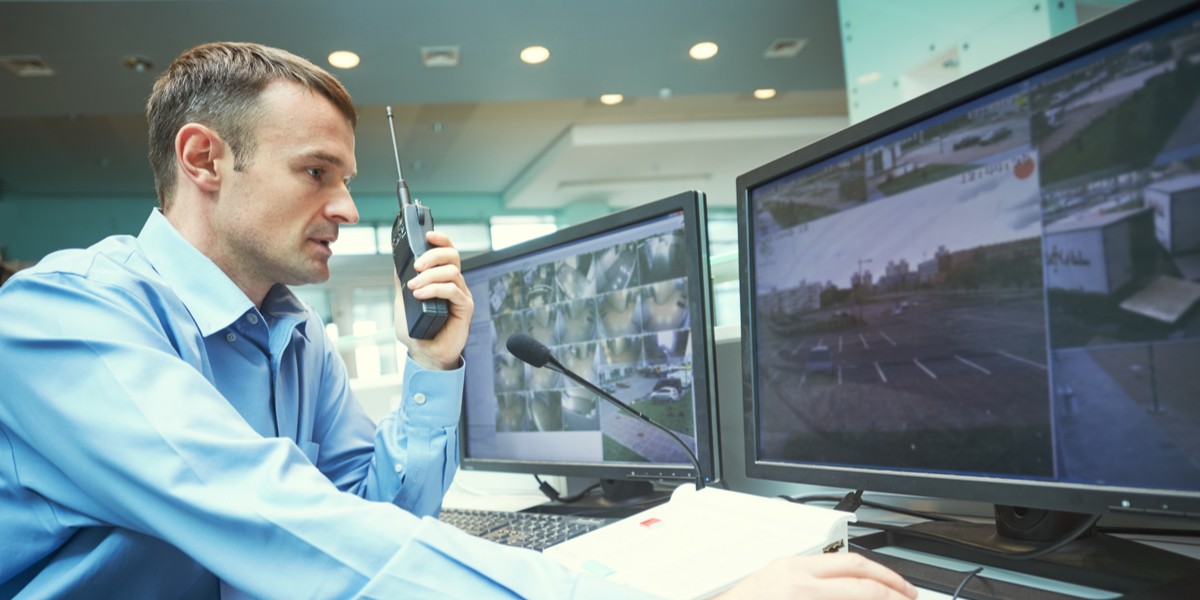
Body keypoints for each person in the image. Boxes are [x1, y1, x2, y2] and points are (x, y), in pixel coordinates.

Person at [0, 42, 918, 600]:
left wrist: (435, 366)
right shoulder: (62, 318)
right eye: (317, 172)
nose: (350, 210)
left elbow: (373, 514)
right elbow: (277, 521)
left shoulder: (290, 336)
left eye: (350, 180)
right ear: (205, 159)